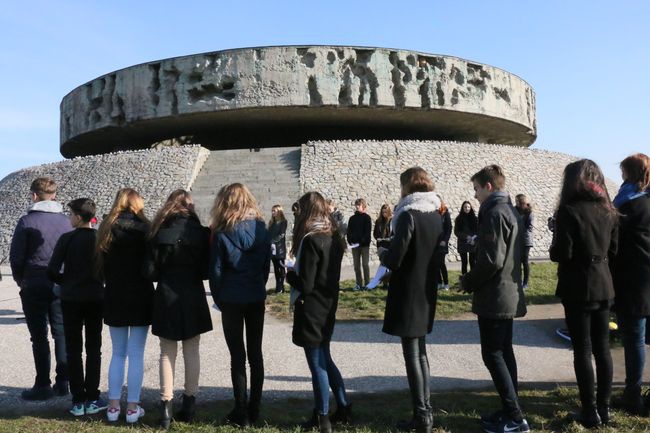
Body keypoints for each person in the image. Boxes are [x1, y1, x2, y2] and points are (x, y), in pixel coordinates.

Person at [458, 165, 529, 433]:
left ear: (488, 187)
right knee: (503, 352)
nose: (474, 195)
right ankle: (509, 408)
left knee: (493, 354)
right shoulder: (508, 210)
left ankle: (515, 416)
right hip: (505, 292)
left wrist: (467, 281)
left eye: (476, 189)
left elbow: (491, 260)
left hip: (496, 294)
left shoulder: (495, 213)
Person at [550, 159, 618, 428]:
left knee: (582, 349)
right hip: (603, 282)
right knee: (603, 349)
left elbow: (561, 254)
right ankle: (605, 407)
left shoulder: (569, 211)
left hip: (577, 284)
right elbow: (614, 251)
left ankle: (590, 410)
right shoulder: (609, 210)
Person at [378, 167, 443, 433]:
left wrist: (383, 250)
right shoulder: (436, 215)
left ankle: (422, 416)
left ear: (407, 186)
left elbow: (395, 258)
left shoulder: (408, 215)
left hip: (408, 291)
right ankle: (425, 412)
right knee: (422, 354)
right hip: (426, 289)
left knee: (412, 356)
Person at [143, 190, 213, 429]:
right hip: (192, 293)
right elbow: (206, 271)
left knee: (166, 352)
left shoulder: (157, 233)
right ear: (190, 207)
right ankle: (190, 404)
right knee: (192, 349)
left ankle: (165, 408)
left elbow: (149, 272)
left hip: (167, 292)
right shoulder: (201, 233)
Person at [286, 191, 351, 433]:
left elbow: (307, 283)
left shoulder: (312, 239)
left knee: (317, 365)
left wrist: (290, 274)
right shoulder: (332, 235)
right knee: (325, 357)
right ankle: (343, 406)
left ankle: (322, 417)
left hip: (313, 306)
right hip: (328, 303)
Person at [210, 183, 271, 426]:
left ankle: (241, 410)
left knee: (237, 355)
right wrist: (258, 285)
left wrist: (219, 298)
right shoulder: (262, 229)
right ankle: (254, 409)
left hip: (232, 297)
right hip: (255, 295)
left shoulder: (222, 232)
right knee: (256, 354)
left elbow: (215, 271)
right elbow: (266, 266)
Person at [9, 177, 71, 400]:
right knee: (61, 332)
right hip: (60, 283)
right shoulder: (66, 221)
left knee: (39, 336)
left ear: (34, 196)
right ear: (54, 195)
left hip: (34, 282)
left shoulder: (26, 222)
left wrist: (20, 279)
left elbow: (16, 257)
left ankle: (43, 384)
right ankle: (64, 381)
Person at [96, 188, 154, 423]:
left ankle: (112, 406)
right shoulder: (147, 230)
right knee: (136, 353)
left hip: (115, 294)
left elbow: (100, 266)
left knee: (117, 353)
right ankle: (132, 407)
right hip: (141, 294)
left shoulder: (106, 229)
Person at [47, 198, 106, 416]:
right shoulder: (100, 238)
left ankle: (77, 400)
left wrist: (67, 281)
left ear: (79, 217)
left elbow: (52, 271)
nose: (69, 217)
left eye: (70, 214)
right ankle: (93, 397)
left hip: (71, 299)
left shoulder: (67, 239)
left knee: (73, 349)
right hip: (95, 297)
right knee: (93, 348)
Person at [612, 153, 650, 415]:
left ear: (630, 173)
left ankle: (633, 395)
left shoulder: (626, 205)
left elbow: (614, 245)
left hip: (633, 283)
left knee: (634, 340)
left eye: (623, 171)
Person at [347, 198, 372, 291]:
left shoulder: (367, 218)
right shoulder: (352, 219)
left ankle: (367, 284)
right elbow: (349, 231)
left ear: (363, 206)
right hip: (355, 246)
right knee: (356, 266)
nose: (357, 206)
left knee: (365, 265)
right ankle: (358, 284)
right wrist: (350, 241)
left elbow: (367, 232)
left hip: (364, 245)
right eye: (356, 205)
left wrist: (362, 241)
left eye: (359, 205)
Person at [515, 194, 534, 289]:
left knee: (524, 261)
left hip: (526, 240)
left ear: (522, 201)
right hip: (517, 240)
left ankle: (525, 282)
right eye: (515, 201)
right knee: (517, 261)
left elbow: (529, 227)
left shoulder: (529, 212)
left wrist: (519, 230)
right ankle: (518, 280)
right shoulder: (515, 210)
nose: (516, 202)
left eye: (517, 201)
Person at [454, 201, 478, 275]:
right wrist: (466, 237)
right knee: (464, 262)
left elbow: (478, 230)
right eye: (465, 207)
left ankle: (473, 279)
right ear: (462, 208)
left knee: (472, 262)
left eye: (468, 207)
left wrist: (473, 238)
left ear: (470, 208)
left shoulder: (475, 218)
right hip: (462, 243)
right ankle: (464, 280)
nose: (467, 208)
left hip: (472, 242)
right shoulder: (458, 219)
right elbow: (456, 232)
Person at [268, 204, 288, 293]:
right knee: (276, 268)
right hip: (272, 249)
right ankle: (278, 287)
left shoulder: (283, 222)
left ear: (279, 211)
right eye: (272, 211)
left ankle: (281, 286)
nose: (272, 213)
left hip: (280, 249)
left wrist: (272, 241)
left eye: (274, 211)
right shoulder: (271, 222)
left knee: (281, 268)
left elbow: (281, 234)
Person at [436, 197, 452, 291]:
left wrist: (445, 240)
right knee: (435, 263)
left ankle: (446, 283)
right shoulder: (432, 212)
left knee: (441, 263)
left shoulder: (445, 212)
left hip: (442, 242)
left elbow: (449, 228)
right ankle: (439, 282)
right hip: (434, 242)